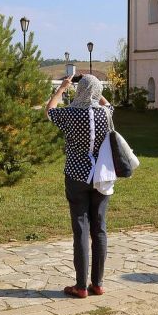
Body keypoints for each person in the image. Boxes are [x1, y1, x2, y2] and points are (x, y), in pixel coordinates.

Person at [45, 74, 114, 299]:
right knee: (100, 228)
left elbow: (49, 111)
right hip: (101, 177)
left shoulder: (71, 114)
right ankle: (98, 284)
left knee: (81, 230)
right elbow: (107, 103)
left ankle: (81, 286)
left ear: (79, 90)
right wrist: (95, 91)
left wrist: (62, 88)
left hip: (77, 176)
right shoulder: (106, 113)